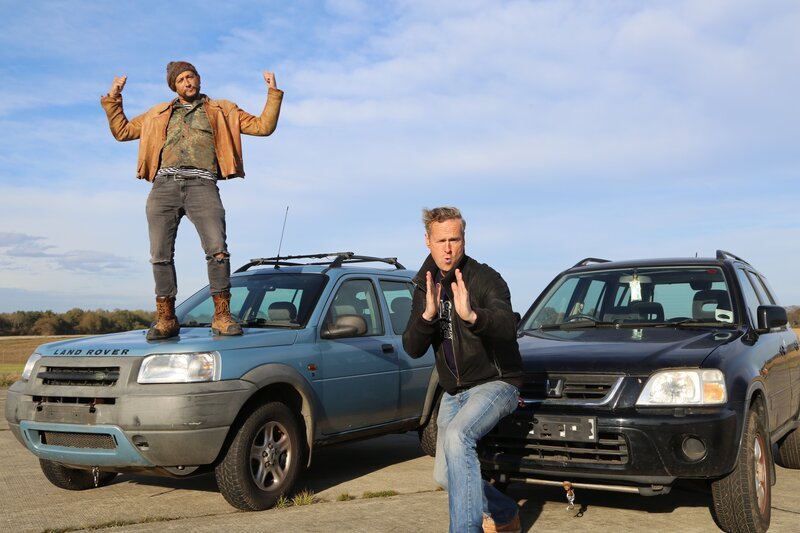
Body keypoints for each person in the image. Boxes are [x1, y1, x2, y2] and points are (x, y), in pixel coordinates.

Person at [100, 61, 283, 340]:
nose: (187, 82)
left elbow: (263, 127)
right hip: (163, 187)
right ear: (174, 85)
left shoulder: (223, 110)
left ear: (199, 79)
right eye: (181, 79)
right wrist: (114, 97)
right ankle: (166, 318)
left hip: (203, 185)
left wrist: (272, 93)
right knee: (160, 256)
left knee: (217, 251)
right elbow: (122, 131)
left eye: (191, 76)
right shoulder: (156, 114)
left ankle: (221, 316)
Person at [402, 206, 524, 533]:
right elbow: (412, 347)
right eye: (441, 240)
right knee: (444, 474)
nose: (448, 248)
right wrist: (428, 317)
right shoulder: (424, 286)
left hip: (497, 382)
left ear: (464, 239)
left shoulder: (485, 279)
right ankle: (504, 512)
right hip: (455, 392)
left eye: (454, 239)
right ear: (427, 241)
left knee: (458, 436)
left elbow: (506, 326)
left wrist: (472, 316)